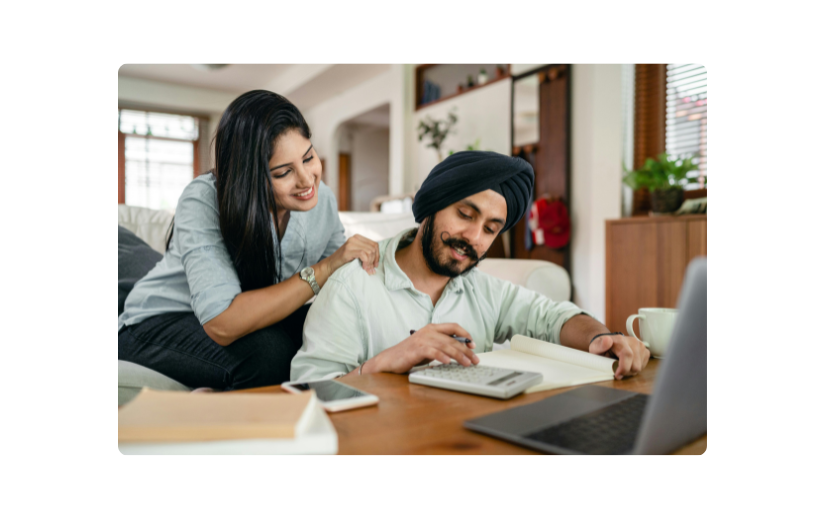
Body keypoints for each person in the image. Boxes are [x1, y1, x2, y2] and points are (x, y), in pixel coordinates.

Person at [291, 151, 650, 382]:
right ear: (431, 205)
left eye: (491, 229)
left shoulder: (483, 290)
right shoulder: (351, 286)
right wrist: (387, 360)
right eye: (465, 214)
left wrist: (603, 338)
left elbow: (553, 318)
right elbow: (308, 391)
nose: (474, 237)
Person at [118, 91, 380, 390]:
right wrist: (323, 268)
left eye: (309, 158)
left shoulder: (323, 200)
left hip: (251, 319)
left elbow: (342, 282)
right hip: (158, 322)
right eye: (284, 173)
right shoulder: (205, 198)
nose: (308, 180)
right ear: (250, 177)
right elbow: (222, 323)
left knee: (335, 328)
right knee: (268, 354)